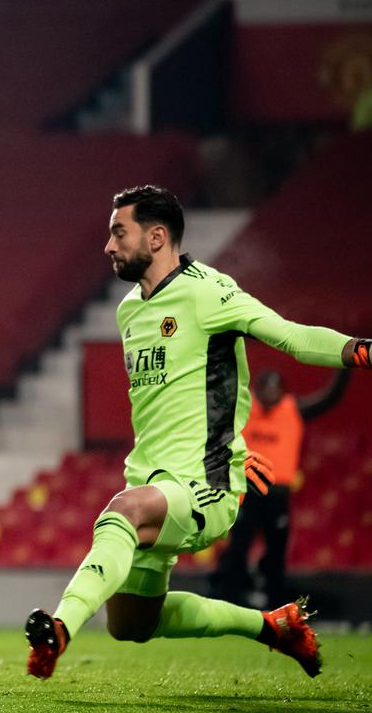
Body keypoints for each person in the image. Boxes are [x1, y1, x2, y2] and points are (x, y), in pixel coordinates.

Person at [25, 184, 370, 680]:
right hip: (151, 479)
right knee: (131, 625)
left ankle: (59, 630)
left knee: (121, 512)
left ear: (158, 236)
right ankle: (273, 627)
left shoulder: (209, 291)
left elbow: (292, 336)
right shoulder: (128, 311)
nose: (109, 246)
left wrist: (361, 350)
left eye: (119, 232)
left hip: (205, 486)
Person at [210, 367, 349, 608]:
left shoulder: (293, 409)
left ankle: (274, 600)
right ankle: (230, 597)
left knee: (276, 548)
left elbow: (330, 398)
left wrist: (345, 364)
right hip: (247, 490)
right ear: (258, 389)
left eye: (276, 389)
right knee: (238, 546)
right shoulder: (243, 408)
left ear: (283, 392)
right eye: (266, 388)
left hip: (277, 494)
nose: (271, 393)